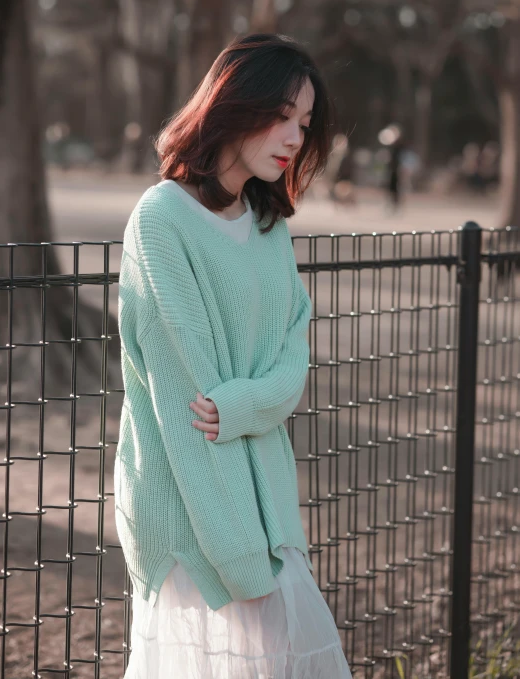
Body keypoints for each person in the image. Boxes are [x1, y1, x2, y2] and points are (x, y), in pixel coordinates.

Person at [115, 33, 352, 678]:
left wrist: (241, 405)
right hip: (191, 515)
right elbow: (185, 403)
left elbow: (289, 363)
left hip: (265, 502)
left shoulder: (266, 224)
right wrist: (236, 551)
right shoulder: (161, 219)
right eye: (282, 116)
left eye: (304, 123)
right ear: (234, 103)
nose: (295, 138)